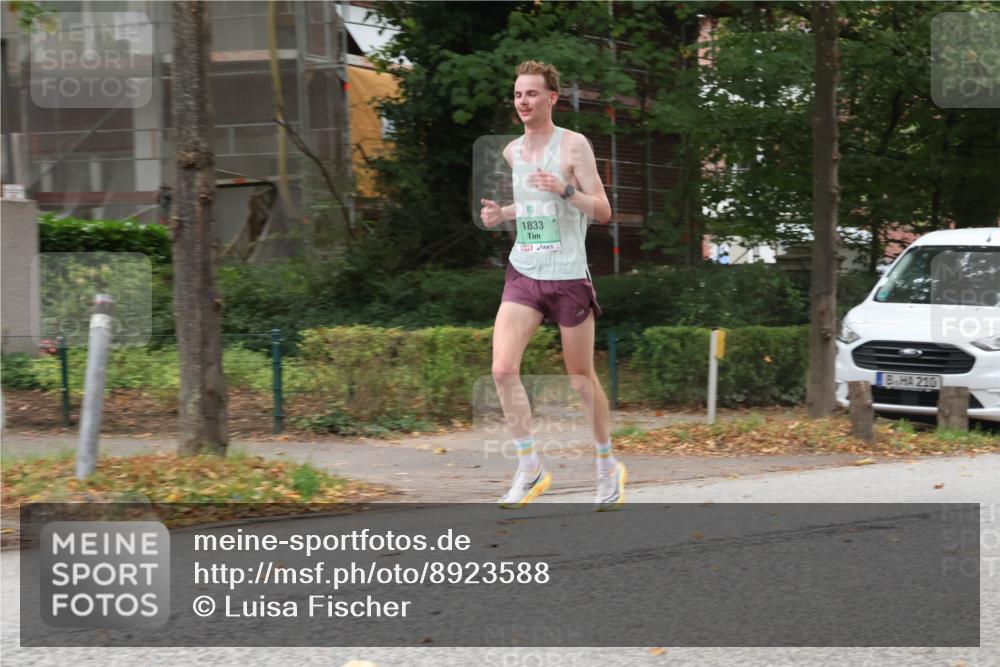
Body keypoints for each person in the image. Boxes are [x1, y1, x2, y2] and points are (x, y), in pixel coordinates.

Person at [480, 60, 626, 511]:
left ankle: (606, 465)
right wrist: (503, 213)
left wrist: (566, 190)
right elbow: (532, 205)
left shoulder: (574, 145)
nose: (523, 101)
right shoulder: (512, 152)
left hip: (567, 275)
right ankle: (530, 468)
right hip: (524, 271)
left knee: (580, 379)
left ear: (551, 98)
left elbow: (603, 210)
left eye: (531, 93)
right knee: (502, 370)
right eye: (518, 94)